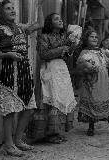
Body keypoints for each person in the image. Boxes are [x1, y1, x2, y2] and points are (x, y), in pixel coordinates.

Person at [0, 0, 41, 156]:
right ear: (1, 13)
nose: (12, 10)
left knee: (29, 109)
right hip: (10, 75)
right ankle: (8, 146)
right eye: (8, 9)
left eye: (13, 8)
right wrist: (7, 54)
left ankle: (17, 140)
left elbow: (39, 24)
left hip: (25, 73)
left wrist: (40, 6)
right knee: (10, 112)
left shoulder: (19, 28)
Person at [30, 13, 77, 144]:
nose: (60, 20)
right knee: (52, 99)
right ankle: (48, 133)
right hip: (50, 69)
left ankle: (58, 131)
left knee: (62, 98)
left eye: (61, 18)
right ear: (50, 22)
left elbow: (66, 56)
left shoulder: (63, 37)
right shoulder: (44, 36)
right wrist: (62, 48)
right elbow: (43, 54)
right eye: (56, 19)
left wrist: (71, 46)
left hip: (62, 69)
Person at [76, 30, 109, 136]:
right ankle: (91, 126)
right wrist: (88, 68)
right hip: (91, 82)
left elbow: (107, 63)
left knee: (106, 100)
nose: (94, 38)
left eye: (96, 37)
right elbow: (79, 66)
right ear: (86, 39)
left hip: (103, 81)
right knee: (92, 101)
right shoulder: (84, 52)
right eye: (91, 36)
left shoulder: (102, 51)